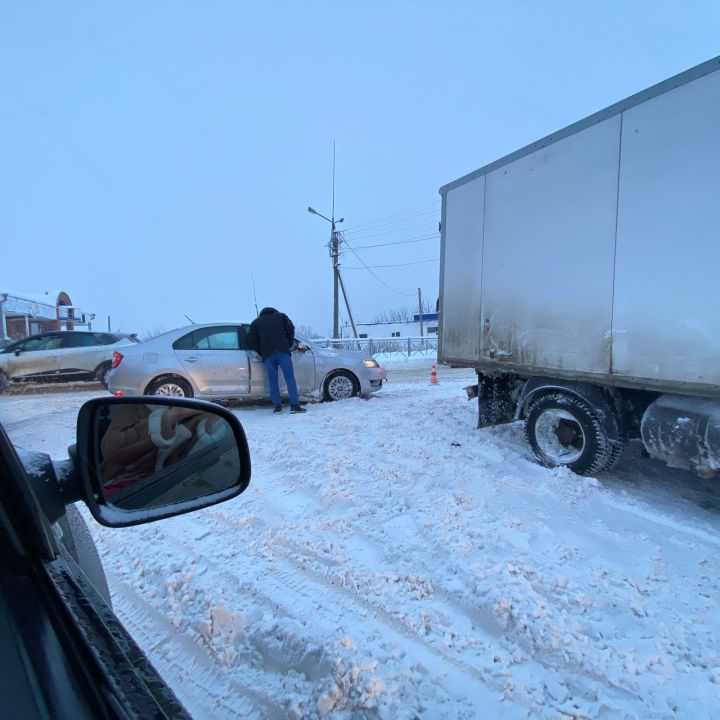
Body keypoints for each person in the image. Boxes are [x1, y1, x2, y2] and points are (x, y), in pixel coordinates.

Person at [246, 307, 307, 413]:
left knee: (273, 381)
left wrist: (261, 351)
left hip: (268, 355)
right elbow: (291, 329)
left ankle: (277, 407)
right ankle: (294, 406)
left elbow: (250, 340)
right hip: (283, 352)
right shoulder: (281, 317)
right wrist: (288, 343)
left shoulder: (256, 323)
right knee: (290, 379)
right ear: (274, 311)